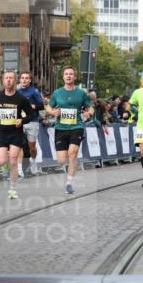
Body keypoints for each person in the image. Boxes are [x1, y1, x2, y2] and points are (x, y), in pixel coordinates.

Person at [45, 67, 93, 195]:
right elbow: (49, 107)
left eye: (71, 74)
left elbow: (90, 107)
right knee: (61, 160)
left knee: (73, 153)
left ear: (74, 77)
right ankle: (69, 171)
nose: (68, 76)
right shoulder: (57, 93)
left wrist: (89, 113)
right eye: (66, 74)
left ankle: (69, 183)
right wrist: (53, 112)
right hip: (60, 128)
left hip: (76, 126)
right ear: (63, 77)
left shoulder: (81, 93)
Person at [0, 71, 32, 200]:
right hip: (1, 132)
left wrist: (22, 120)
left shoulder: (21, 99)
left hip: (15, 133)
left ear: (15, 81)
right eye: (6, 78)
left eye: (11, 78)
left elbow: (30, 115)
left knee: (13, 160)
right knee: (1, 161)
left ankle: (12, 189)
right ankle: (6, 168)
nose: (8, 80)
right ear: (3, 81)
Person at [17, 71, 45, 176]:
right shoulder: (17, 92)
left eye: (26, 78)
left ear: (29, 80)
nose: (24, 80)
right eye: (22, 78)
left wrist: (33, 106)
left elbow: (42, 106)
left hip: (32, 121)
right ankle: (19, 169)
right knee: (18, 144)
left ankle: (33, 160)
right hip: (20, 121)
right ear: (20, 80)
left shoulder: (34, 91)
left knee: (32, 147)